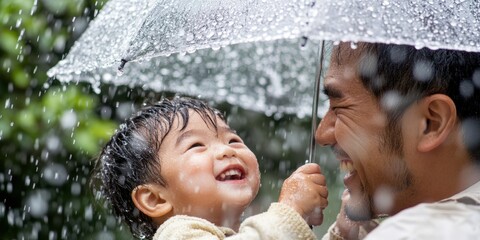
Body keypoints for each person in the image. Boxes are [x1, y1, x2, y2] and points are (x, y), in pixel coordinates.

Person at [91, 97, 328, 240]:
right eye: (196, 145)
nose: (227, 150)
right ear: (154, 199)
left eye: (233, 139)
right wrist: (291, 210)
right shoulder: (176, 234)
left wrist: (343, 229)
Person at [317, 42, 480, 239]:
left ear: (431, 123)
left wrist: (282, 225)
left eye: (339, 108)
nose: (322, 134)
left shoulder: (409, 233)